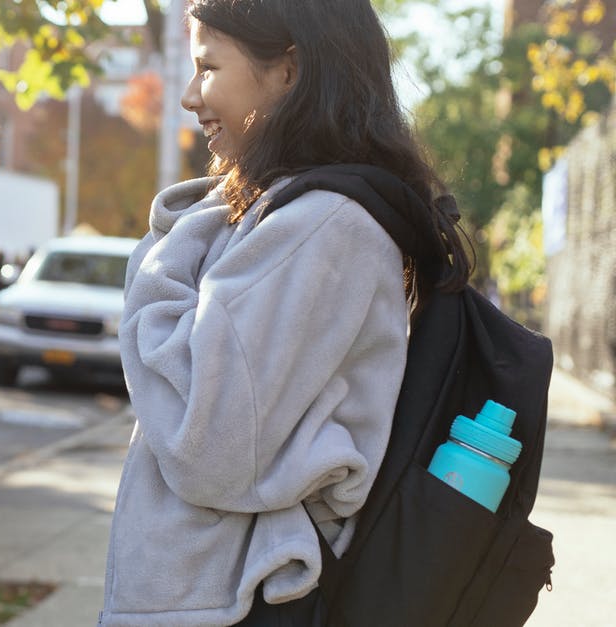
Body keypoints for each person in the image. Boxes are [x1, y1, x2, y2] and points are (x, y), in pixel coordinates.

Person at [100, 1, 469, 626]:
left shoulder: (319, 227)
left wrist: (166, 257)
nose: (191, 97)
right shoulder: (299, 215)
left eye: (208, 67)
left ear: (289, 72)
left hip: (235, 605)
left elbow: (205, 450)